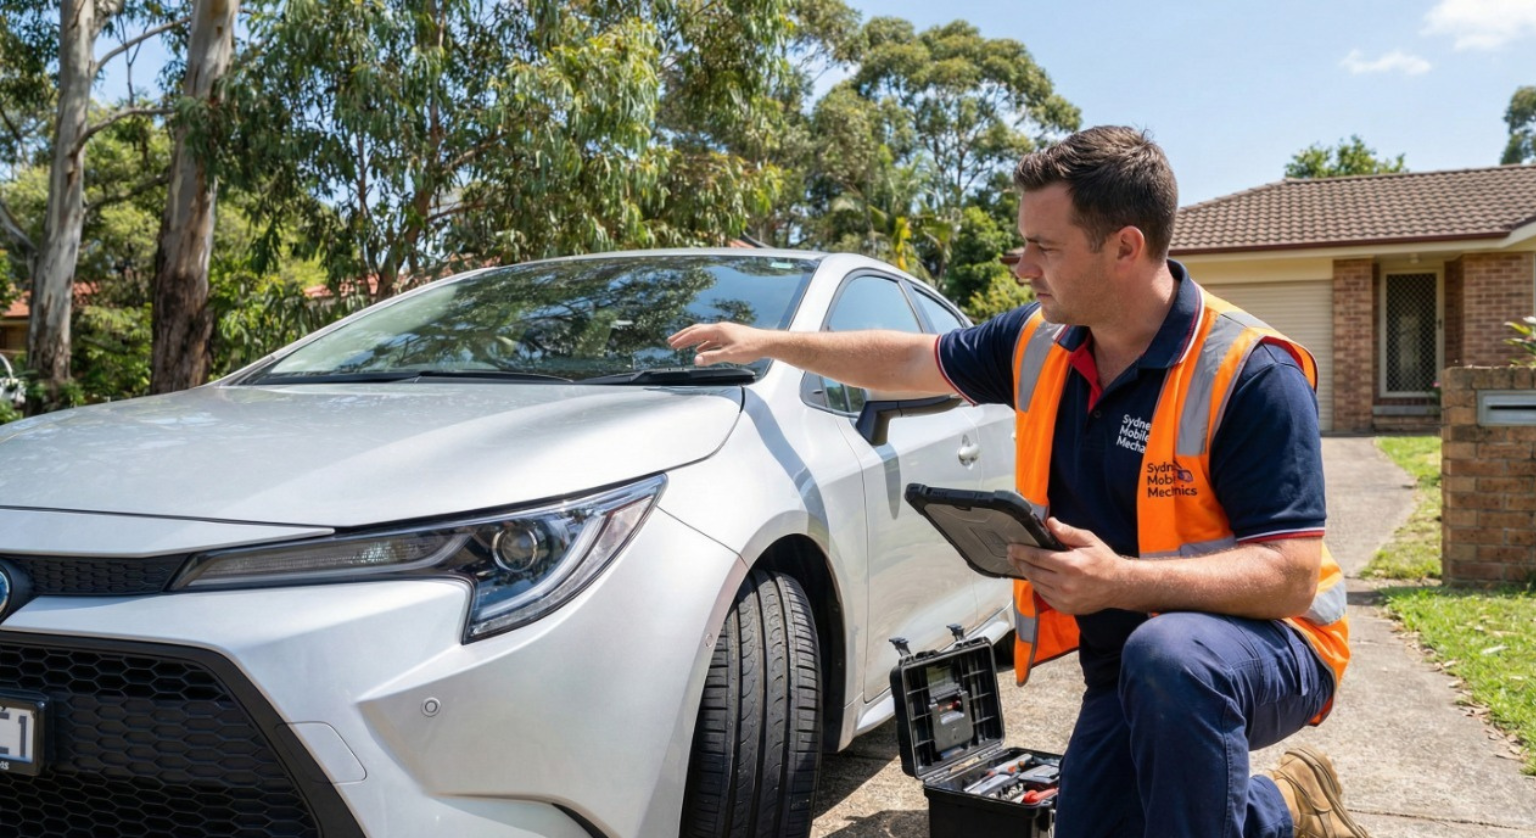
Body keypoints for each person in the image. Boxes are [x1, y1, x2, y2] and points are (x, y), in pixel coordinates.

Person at [668, 126, 1371, 838]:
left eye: (1046, 248)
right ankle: (1287, 804)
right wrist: (770, 343)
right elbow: (909, 360)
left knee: (1172, 665)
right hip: (1129, 659)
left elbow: (1290, 577)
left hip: (1271, 644)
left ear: (1125, 248)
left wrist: (1121, 581)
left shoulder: (1251, 372)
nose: (1023, 267)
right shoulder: (1041, 339)